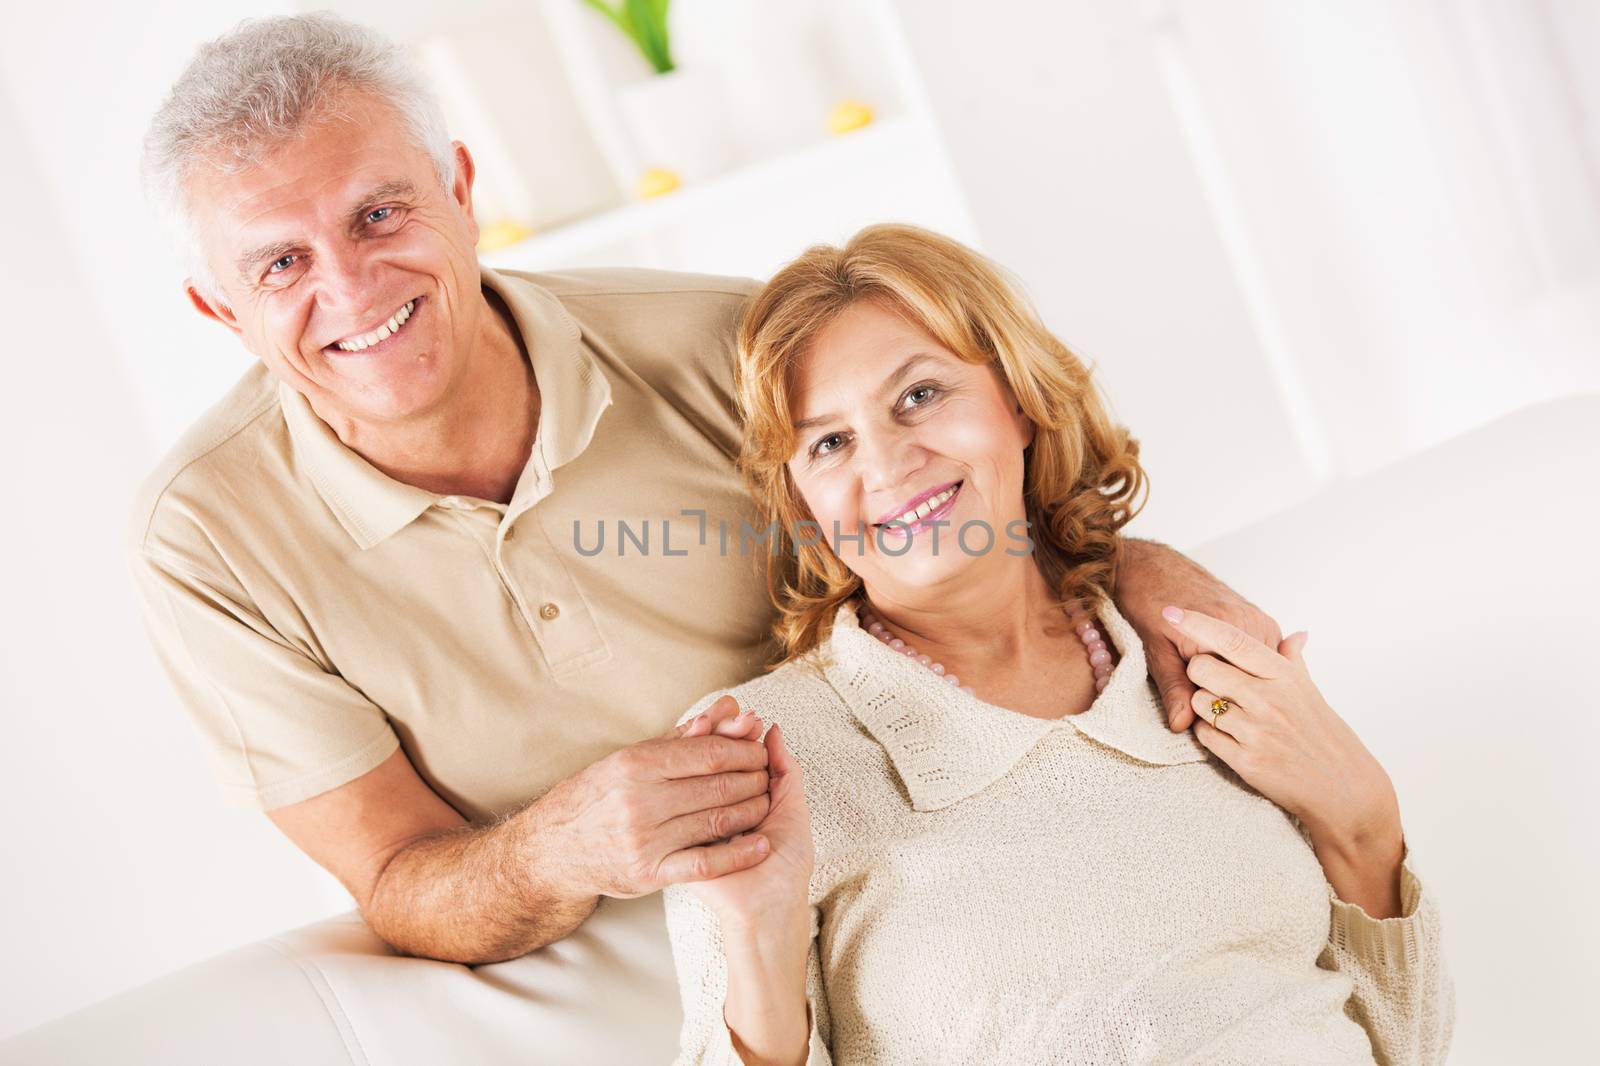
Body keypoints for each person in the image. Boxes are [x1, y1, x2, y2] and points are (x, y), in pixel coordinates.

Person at [121, 7, 1273, 1019]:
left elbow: (949, 501)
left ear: (462, 190)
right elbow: (394, 878)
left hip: (930, 889)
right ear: (214, 305)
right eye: (279, 264)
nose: (351, 288)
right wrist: (561, 845)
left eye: (379, 213)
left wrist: (1129, 563)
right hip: (654, 976)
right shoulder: (206, 539)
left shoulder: (721, 343)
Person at [663, 224, 1454, 1065]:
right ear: (802, 504)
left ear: (1020, 401)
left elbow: (1402, 1045)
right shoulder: (763, 755)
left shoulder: (1196, 663)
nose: (890, 463)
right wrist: (757, 933)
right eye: (829, 442)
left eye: (920, 395)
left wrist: (1364, 816)